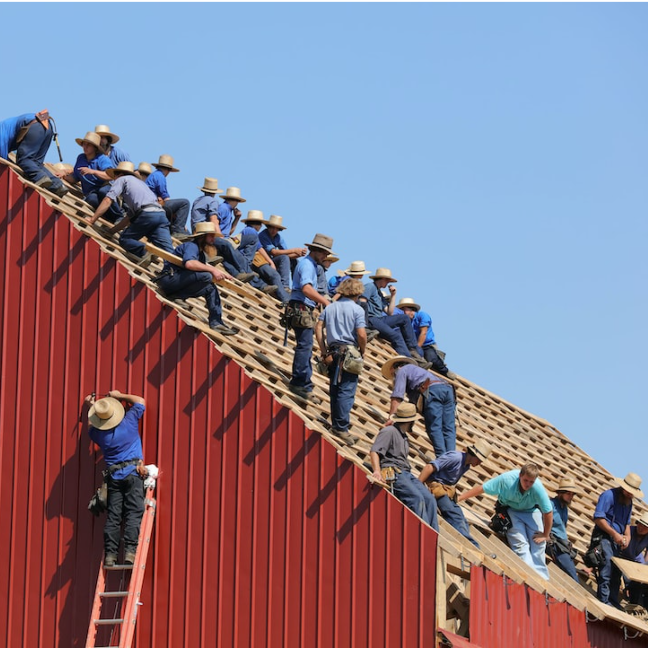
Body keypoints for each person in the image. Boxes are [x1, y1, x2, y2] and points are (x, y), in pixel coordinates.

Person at [457, 464, 553, 580]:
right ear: (520, 475)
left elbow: (548, 512)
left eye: (531, 482)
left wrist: (545, 535)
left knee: (538, 544)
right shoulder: (506, 480)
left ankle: (542, 579)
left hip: (531, 511)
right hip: (511, 510)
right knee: (520, 544)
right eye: (525, 480)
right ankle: (530, 577)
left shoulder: (537, 488)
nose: (528, 484)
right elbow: (482, 488)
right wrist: (460, 498)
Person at [84, 390, 148, 566]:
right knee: (133, 514)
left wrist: (92, 406)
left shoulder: (98, 435)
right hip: (133, 474)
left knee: (114, 517)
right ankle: (130, 552)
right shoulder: (129, 423)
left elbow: (90, 425)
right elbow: (140, 401)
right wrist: (120, 395)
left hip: (114, 478)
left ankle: (111, 556)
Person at [156, 222, 238, 335]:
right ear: (202, 236)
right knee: (206, 276)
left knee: (210, 287)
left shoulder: (200, 253)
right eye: (211, 236)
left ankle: (216, 322)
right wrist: (213, 270)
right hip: (169, 280)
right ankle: (177, 296)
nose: (213, 240)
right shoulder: (192, 246)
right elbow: (190, 264)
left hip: (178, 282)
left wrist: (220, 272)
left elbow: (202, 265)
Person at [85, 161, 174, 264]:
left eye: (115, 176)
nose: (114, 179)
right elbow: (128, 218)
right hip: (161, 215)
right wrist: (112, 231)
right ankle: (174, 272)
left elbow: (107, 200)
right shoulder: (140, 185)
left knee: (125, 239)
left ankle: (145, 252)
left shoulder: (122, 179)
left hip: (147, 215)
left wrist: (92, 220)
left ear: (120, 174)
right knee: (168, 252)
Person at [370, 402, 439, 531]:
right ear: (410, 421)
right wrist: (377, 472)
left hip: (406, 473)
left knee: (430, 499)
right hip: (394, 472)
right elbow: (375, 451)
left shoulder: (403, 436)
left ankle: (433, 535)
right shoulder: (389, 431)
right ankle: (422, 534)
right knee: (416, 498)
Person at [315, 278, 367, 446]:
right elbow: (361, 334)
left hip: (333, 350)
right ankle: (341, 428)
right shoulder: (357, 310)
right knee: (346, 391)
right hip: (349, 352)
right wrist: (362, 351)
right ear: (357, 292)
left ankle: (337, 424)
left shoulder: (330, 307)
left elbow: (318, 327)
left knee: (335, 389)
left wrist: (323, 351)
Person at [418, 440, 493, 546]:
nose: (480, 463)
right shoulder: (455, 457)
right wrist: (417, 486)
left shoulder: (466, 465)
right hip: (435, 488)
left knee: (460, 514)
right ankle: (470, 544)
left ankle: (466, 539)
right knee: (453, 513)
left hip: (445, 491)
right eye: (480, 460)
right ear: (474, 455)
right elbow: (429, 467)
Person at [287, 234, 334, 402]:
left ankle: (304, 383)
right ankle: (299, 382)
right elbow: (306, 289)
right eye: (324, 253)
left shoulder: (312, 265)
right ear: (317, 251)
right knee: (305, 346)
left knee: (305, 346)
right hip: (301, 307)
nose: (325, 257)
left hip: (303, 308)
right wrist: (325, 302)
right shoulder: (307, 265)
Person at [382, 356, 456, 457]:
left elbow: (397, 397)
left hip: (432, 391)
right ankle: (452, 457)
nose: (393, 376)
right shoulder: (418, 372)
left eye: (392, 374)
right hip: (447, 389)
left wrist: (391, 418)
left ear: (397, 367)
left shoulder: (401, 370)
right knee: (448, 428)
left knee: (435, 428)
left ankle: (442, 458)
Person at [591, 472, 644, 607]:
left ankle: (613, 601)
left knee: (616, 571)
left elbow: (626, 523)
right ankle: (604, 600)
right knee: (607, 566)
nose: (630, 495)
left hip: (616, 540)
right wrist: (614, 534)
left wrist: (628, 536)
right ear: (623, 488)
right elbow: (598, 518)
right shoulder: (608, 496)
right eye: (629, 492)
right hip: (603, 536)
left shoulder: (628, 502)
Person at [361, 268, 427, 365]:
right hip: (371, 319)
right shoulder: (370, 287)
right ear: (382, 278)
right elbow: (362, 302)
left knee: (404, 318)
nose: (388, 283)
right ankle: (408, 362)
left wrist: (393, 295)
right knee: (395, 336)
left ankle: (412, 350)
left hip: (380, 319)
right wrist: (364, 324)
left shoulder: (379, 293)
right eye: (387, 280)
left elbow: (390, 312)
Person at [0, 110, 68, 196]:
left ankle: (40, 177)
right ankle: (58, 185)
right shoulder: (4, 128)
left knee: (24, 159)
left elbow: (3, 163)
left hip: (35, 126)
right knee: (36, 163)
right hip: (47, 126)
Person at [62, 131, 122, 222]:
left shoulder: (102, 159)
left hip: (103, 188)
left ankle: (119, 216)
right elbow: (76, 177)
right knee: (91, 199)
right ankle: (109, 219)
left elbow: (110, 176)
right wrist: (64, 176)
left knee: (103, 191)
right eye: (84, 144)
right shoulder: (81, 158)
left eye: (88, 145)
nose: (85, 147)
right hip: (91, 193)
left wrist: (92, 171)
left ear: (95, 147)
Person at [396, 297, 454, 378]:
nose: (401, 313)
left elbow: (423, 333)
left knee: (432, 360)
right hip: (416, 346)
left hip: (427, 345)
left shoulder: (422, 315)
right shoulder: (408, 322)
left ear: (409, 309)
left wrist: (417, 348)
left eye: (403, 310)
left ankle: (445, 371)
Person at [237, 210, 288, 302]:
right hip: (252, 260)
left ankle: (284, 288)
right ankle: (285, 299)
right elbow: (260, 248)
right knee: (274, 275)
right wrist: (270, 262)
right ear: (257, 224)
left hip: (250, 260)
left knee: (285, 259)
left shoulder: (247, 230)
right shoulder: (252, 232)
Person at [545, 477, 583, 582]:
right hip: (555, 545)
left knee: (573, 573)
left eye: (573, 494)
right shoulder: (550, 505)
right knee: (574, 579)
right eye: (569, 493)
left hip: (562, 545)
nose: (571, 496)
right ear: (561, 493)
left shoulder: (565, 509)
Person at [145, 154, 190, 237]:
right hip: (153, 204)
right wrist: (178, 216)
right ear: (168, 170)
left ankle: (177, 228)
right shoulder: (160, 176)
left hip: (150, 203)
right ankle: (177, 230)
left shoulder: (154, 175)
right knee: (185, 203)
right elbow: (165, 197)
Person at [258, 214, 307, 290]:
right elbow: (273, 252)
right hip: (263, 262)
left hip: (272, 261)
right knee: (284, 257)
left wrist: (299, 254)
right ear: (268, 227)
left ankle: (297, 287)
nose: (273, 230)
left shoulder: (278, 237)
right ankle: (285, 286)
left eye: (276, 228)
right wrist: (294, 250)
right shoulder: (263, 235)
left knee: (294, 261)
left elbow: (287, 255)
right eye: (272, 227)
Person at [620, 512, 648, 608]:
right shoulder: (629, 531)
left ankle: (636, 605)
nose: (641, 528)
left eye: (645, 527)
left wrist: (643, 568)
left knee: (639, 582)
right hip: (621, 557)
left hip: (634, 560)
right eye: (640, 525)